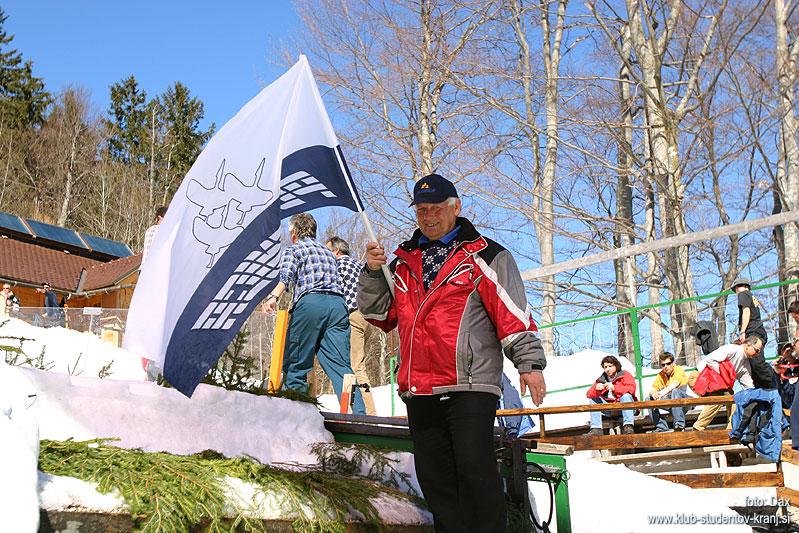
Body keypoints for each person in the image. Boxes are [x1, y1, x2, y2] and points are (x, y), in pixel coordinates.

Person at [358, 173, 546, 532]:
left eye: (436, 209)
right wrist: (370, 271)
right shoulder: (401, 263)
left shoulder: (486, 255)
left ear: (456, 207)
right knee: (436, 482)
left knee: (475, 473)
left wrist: (529, 363)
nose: (428, 216)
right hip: (420, 388)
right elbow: (379, 314)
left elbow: (513, 313)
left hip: (469, 385)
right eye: (421, 210)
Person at [263, 213, 365, 415]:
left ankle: (297, 415)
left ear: (294, 233)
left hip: (310, 304)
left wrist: (273, 297)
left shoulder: (295, 249)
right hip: (338, 306)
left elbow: (286, 276)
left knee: (296, 362)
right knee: (341, 365)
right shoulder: (329, 253)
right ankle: (360, 415)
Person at [325, 236, 377, 416]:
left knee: (355, 366)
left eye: (328, 250)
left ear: (337, 251)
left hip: (353, 314)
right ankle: (360, 410)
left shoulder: (338, 266)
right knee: (357, 363)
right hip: (366, 315)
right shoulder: (358, 265)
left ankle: (368, 414)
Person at [692, 338, 760, 431]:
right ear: (748, 345)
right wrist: (724, 374)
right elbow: (710, 360)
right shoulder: (731, 349)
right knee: (719, 398)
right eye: (757, 350)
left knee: (735, 399)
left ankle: (730, 430)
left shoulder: (745, 366)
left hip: (717, 384)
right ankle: (698, 428)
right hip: (700, 377)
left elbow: (748, 386)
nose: (758, 354)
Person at [586, 355, 637, 436]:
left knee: (626, 396)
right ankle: (596, 428)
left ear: (616, 365)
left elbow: (631, 389)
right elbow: (588, 394)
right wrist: (596, 390)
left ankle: (628, 426)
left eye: (610, 366)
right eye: (605, 367)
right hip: (610, 409)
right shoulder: (601, 379)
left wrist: (614, 388)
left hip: (626, 407)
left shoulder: (625, 375)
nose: (607, 369)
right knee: (593, 398)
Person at [648, 352, 689, 432]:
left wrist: (660, 394)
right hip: (672, 403)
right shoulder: (660, 375)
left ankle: (679, 425)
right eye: (663, 365)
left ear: (673, 363)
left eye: (668, 363)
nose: (666, 366)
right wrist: (654, 393)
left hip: (684, 402)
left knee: (675, 391)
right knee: (648, 399)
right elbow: (653, 388)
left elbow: (675, 384)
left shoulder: (678, 370)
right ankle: (661, 427)